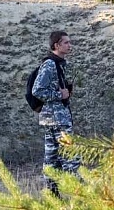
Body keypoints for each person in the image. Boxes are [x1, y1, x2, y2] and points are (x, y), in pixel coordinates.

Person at [31, 30, 79, 197]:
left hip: (52, 119)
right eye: (66, 42)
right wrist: (60, 95)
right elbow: (37, 90)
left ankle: (53, 197)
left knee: (52, 159)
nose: (69, 45)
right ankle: (77, 197)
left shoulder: (58, 64)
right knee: (71, 158)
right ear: (56, 45)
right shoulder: (50, 64)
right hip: (57, 119)